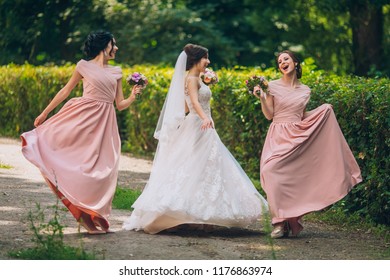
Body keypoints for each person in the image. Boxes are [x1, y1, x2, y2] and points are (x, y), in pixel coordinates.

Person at [123, 44, 268, 234]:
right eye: (205, 58)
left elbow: (185, 106)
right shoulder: (191, 78)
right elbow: (194, 101)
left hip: (200, 124)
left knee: (204, 167)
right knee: (197, 166)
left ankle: (199, 214)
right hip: (200, 125)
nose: (208, 62)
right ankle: (189, 213)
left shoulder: (196, 78)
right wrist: (204, 117)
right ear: (196, 59)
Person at [20, 31, 142, 234]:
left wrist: (132, 96)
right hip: (83, 117)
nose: (117, 48)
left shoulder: (117, 72)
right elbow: (65, 91)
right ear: (105, 46)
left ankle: (93, 213)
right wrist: (44, 113)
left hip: (105, 122)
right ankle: (84, 216)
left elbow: (119, 105)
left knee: (105, 169)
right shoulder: (82, 66)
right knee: (79, 165)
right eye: (114, 44)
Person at [253, 50, 362, 238]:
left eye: (286, 59)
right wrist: (262, 97)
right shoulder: (271, 86)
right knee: (270, 171)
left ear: (295, 62)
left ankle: (284, 222)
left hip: (296, 136)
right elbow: (270, 115)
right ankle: (279, 222)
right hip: (278, 135)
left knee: (295, 178)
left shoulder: (305, 90)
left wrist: (323, 110)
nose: (282, 63)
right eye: (279, 61)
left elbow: (301, 115)